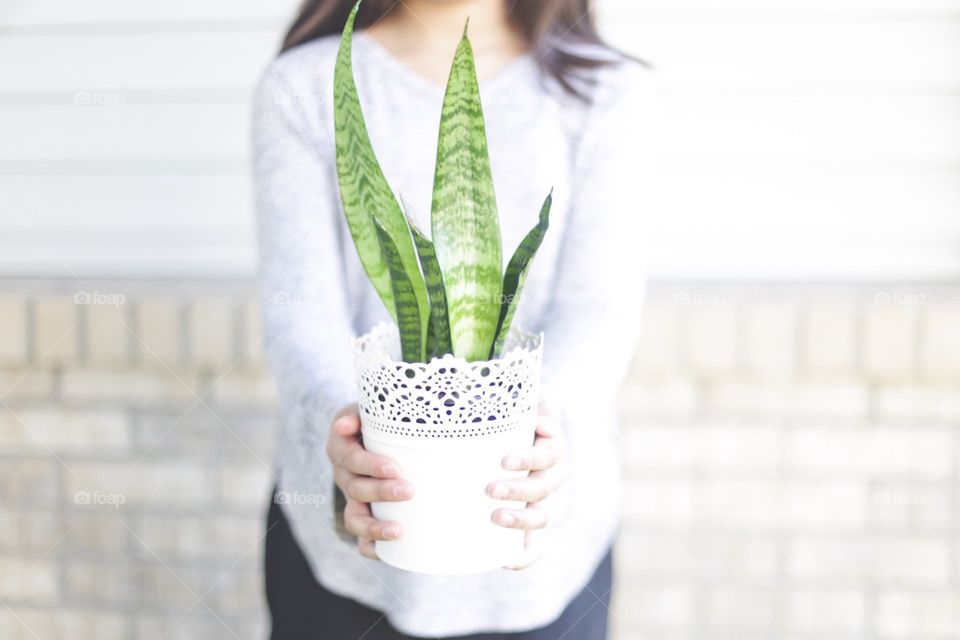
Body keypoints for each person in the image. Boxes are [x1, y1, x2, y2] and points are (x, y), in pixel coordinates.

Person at [253, 0, 655, 637]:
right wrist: (346, 439)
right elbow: (298, 314)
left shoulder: (602, 90)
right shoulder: (302, 85)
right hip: (347, 552)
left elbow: (598, 310)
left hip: (541, 553)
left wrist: (547, 433)